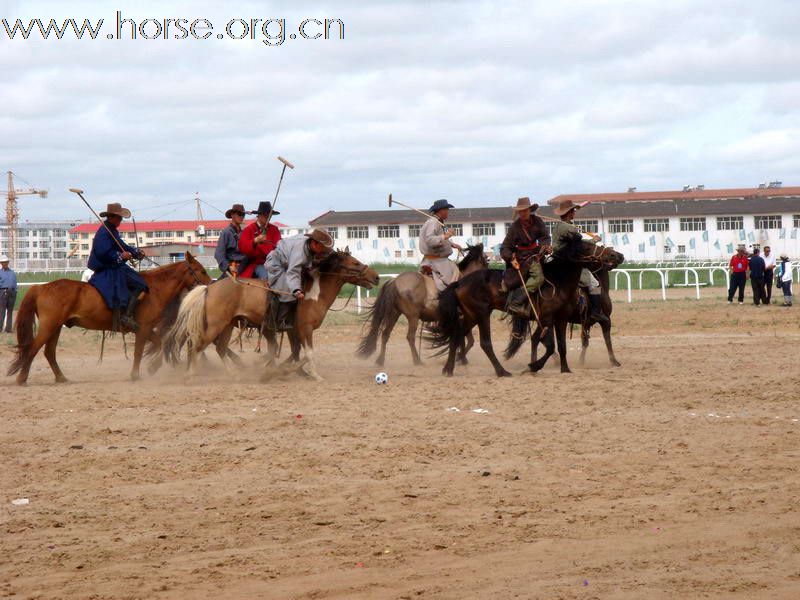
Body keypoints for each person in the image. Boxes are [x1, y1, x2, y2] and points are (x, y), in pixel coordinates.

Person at [87, 202, 147, 331]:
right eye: (119, 218)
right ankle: (127, 316)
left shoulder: (112, 230)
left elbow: (122, 245)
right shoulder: (104, 231)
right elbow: (102, 252)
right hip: (108, 267)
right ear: (111, 217)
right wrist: (120, 256)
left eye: (121, 218)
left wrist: (135, 253)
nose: (121, 220)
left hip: (114, 265)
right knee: (140, 284)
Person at [550, 198, 610, 325]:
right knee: (594, 283)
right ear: (569, 213)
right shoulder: (568, 228)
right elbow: (580, 245)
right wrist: (594, 240)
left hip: (554, 260)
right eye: (573, 211)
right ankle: (595, 312)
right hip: (567, 263)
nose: (574, 213)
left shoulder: (559, 226)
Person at [266, 228, 334, 330]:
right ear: (314, 243)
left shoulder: (309, 245)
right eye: (323, 247)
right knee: (288, 290)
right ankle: (279, 321)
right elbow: (293, 272)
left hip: (287, 263)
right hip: (277, 264)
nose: (324, 250)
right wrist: (296, 290)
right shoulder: (300, 252)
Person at [500, 197, 551, 317]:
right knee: (539, 278)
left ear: (529, 210)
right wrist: (511, 258)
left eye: (525, 210)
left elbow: (545, 237)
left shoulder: (538, 221)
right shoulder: (515, 227)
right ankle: (517, 301)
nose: (523, 213)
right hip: (522, 258)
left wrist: (545, 246)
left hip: (537, 253)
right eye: (520, 211)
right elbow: (505, 247)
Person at [419, 199, 463, 292]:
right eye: (447, 209)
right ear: (441, 211)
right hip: (437, 261)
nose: (448, 212)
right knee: (452, 282)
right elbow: (430, 240)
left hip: (438, 259)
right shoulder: (433, 222)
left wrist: (452, 244)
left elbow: (439, 239)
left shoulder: (438, 222)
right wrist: (446, 235)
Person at [238, 201, 282, 279]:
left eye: (270, 216)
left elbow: (279, 246)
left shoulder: (274, 229)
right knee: (267, 277)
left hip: (274, 264)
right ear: (259, 215)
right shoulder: (249, 229)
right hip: (257, 264)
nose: (268, 218)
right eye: (266, 215)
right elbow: (243, 247)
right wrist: (255, 241)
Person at [214, 203, 249, 277]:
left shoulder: (244, 233)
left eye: (243, 214)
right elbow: (219, 254)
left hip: (246, 265)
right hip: (232, 268)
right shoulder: (226, 232)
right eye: (239, 214)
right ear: (232, 215)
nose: (241, 216)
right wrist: (228, 266)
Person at [0, 254, 18, 333]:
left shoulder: (12, 272)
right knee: (2, 311)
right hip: (3, 292)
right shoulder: (0, 273)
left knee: (10, 311)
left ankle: (8, 329)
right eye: (3, 262)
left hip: (12, 293)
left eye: (6, 262)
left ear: (8, 262)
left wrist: (15, 291)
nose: (5, 263)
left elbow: (15, 282)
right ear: (1, 263)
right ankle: (0, 328)